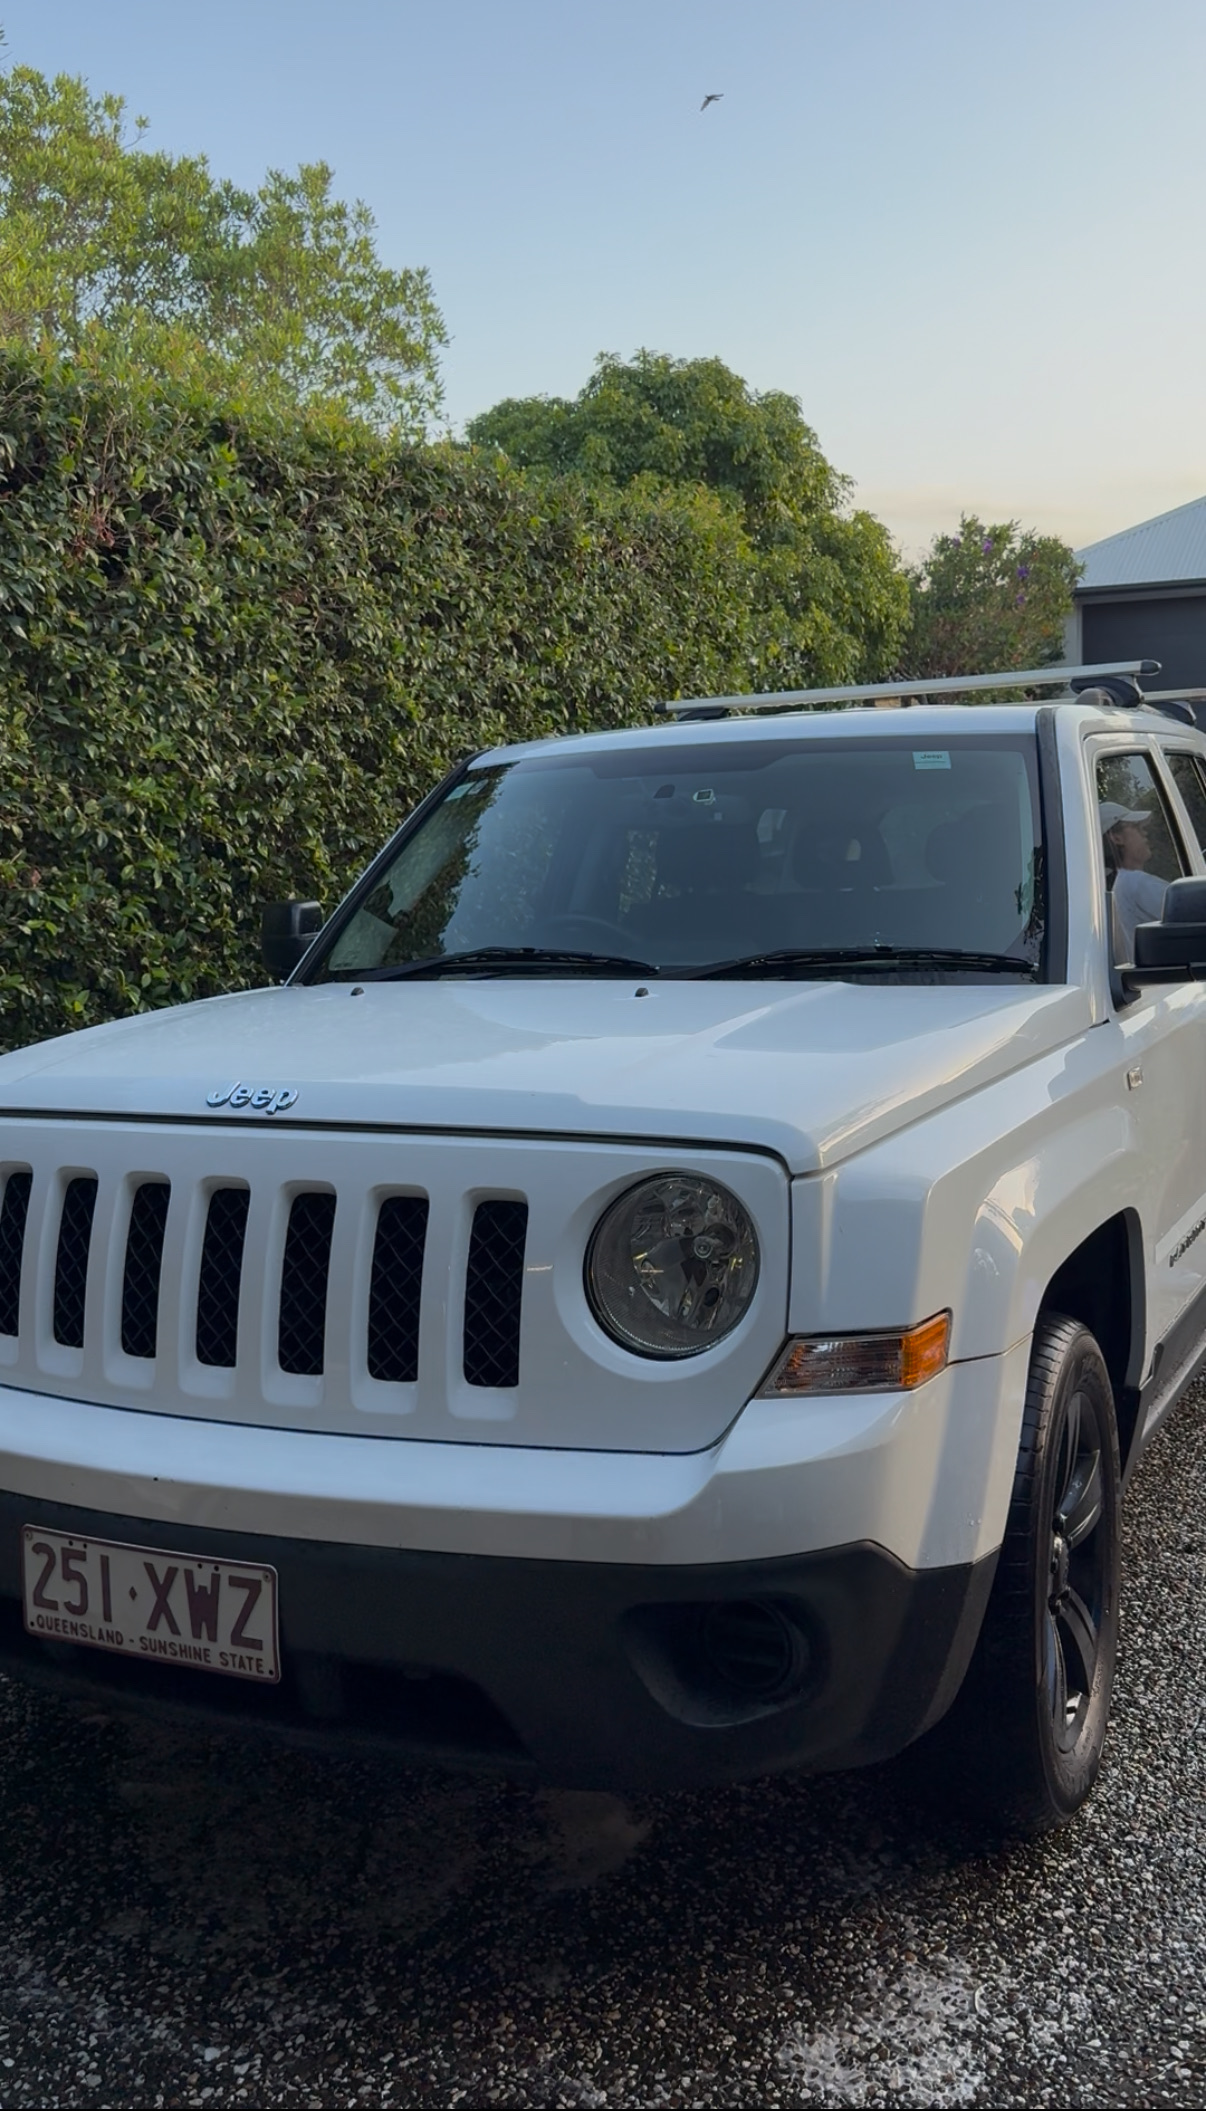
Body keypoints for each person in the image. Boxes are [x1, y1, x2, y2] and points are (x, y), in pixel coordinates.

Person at [1100, 801, 1168, 960]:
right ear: (1116, 838)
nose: (1144, 833)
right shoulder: (1135, 883)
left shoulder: (1114, 889)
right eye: (1136, 827)